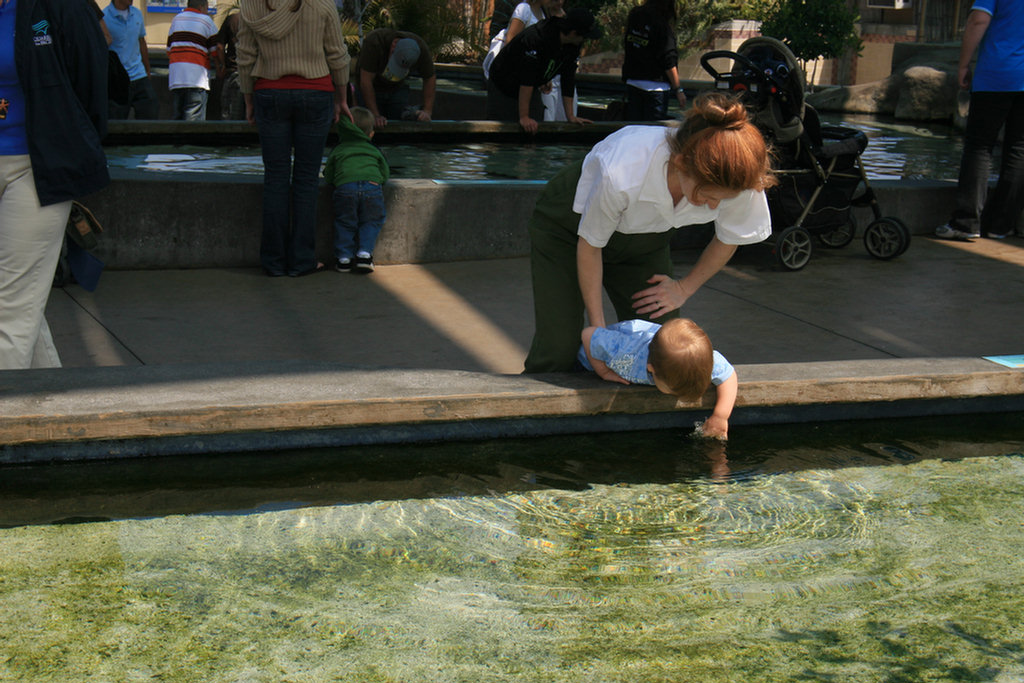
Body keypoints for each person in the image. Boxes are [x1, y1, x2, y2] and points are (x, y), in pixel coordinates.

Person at [523, 91, 775, 374]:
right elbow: (590, 245)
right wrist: (598, 336)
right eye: (707, 195)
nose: (714, 206)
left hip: (645, 243)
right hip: (568, 233)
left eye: (722, 199)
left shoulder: (739, 173)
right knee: (560, 346)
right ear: (681, 165)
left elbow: (730, 237)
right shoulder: (623, 169)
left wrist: (683, 288)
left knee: (666, 347)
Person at [1, 0, 110, 369]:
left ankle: (10, 419)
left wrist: (68, 150)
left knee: (10, 308)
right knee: (20, 302)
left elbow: (91, 87)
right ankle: (53, 397)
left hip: (37, 168)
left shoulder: (61, 7)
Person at [237, 0, 352, 277]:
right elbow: (337, 54)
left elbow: (244, 56)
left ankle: (273, 262)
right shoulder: (322, 5)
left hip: (269, 91)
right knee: (306, 179)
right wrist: (342, 98)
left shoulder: (251, 6)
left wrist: (248, 100)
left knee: (275, 177)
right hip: (316, 93)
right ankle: (302, 260)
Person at [934, 0, 1024, 241]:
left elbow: (978, 20)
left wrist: (963, 65)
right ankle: (1001, 225)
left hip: (997, 74)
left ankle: (966, 223)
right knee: (1019, 149)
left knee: (980, 146)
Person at [578, 318, 738, 439]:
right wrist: (604, 372)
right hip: (590, 355)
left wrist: (720, 416)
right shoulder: (625, 356)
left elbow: (728, 375)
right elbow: (588, 335)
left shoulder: (700, 361)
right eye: (673, 391)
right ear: (651, 370)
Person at [486, 7, 599, 133]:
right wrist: (524, 117)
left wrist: (570, 116)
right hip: (503, 82)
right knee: (506, 128)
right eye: (584, 36)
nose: (584, 40)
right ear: (573, 33)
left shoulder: (572, 45)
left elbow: (568, 78)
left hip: (529, 85)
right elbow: (527, 76)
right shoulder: (538, 37)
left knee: (535, 126)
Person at [482, 0, 574, 123]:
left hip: (531, 75)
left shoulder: (544, 14)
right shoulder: (524, 9)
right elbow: (511, 41)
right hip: (513, 75)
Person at [323, 106, 390, 274]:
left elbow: (328, 173)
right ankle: (364, 255)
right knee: (371, 221)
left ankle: (344, 259)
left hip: (345, 187)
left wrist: (334, 181)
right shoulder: (374, 150)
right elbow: (385, 173)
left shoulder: (338, 150)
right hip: (372, 187)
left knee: (345, 222)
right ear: (371, 134)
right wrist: (378, 181)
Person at [622, 0, 687, 120]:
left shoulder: (635, 16)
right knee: (652, 129)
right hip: (656, 87)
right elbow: (668, 59)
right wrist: (678, 89)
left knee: (633, 128)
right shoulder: (662, 25)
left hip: (633, 81)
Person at [356, 29, 435, 128]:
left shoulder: (421, 49)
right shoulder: (374, 42)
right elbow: (366, 81)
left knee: (400, 121)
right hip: (372, 87)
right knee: (367, 122)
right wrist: (375, 115)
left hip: (397, 87)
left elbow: (430, 77)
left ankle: (411, 112)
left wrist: (427, 111)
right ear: (393, 45)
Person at [104, 0, 159, 119]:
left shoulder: (137, 14)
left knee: (151, 110)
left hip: (139, 75)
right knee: (117, 118)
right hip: (118, 79)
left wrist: (147, 69)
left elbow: (141, 42)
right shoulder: (105, 18)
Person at [167, 0, 221, 121]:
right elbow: (215, 51)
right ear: (202, 7)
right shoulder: (206, 21)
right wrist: (219, 66)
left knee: (177, 119)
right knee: (194, 123)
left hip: (176, 79)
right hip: (196, 80)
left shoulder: (176, 19)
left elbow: (169, 50)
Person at [215, 9, 246, 120]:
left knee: (229, 115)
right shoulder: (259, 20)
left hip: (233, 71)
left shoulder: (232, 19)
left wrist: (222, 65)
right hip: (253, 74)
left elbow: (219, 46)